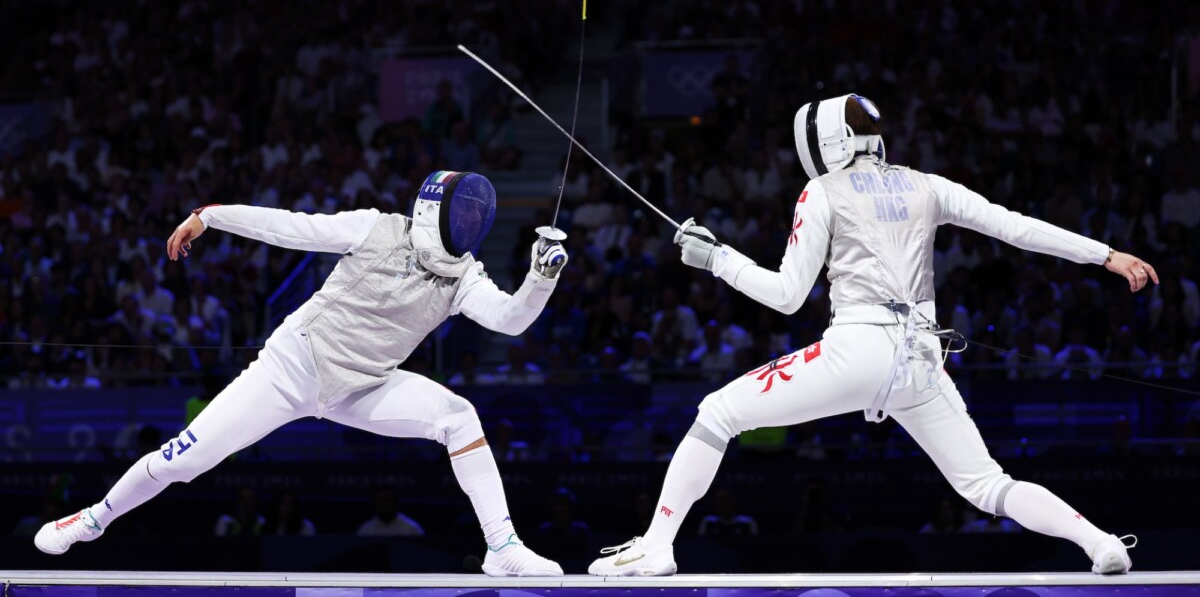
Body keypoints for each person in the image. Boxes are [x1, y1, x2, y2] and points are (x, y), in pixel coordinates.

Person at [589, 95, 1155, 577]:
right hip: (922, 362)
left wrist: (717, 259)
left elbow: (787, 295)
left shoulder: (823, 192)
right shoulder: (926, 185)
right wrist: (1105, 254)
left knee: (716, 413)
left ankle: (657, 545)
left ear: (826, 143)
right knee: (987, 485)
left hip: (857, 349)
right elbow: (1015, 226)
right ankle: (1100, 543)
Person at [35, 170, 569, 577]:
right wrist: (212, 215)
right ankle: (91, 519)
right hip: (291, 369)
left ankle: (502, 548)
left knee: (459, 417)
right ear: (435, 213)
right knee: (186, 459)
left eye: (475, 219)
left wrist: (539, 278)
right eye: (463, 214)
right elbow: (289, 227)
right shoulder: (377, 229)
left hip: (363, 385)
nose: (469, 224)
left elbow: (511, 320)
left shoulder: (463, 278)